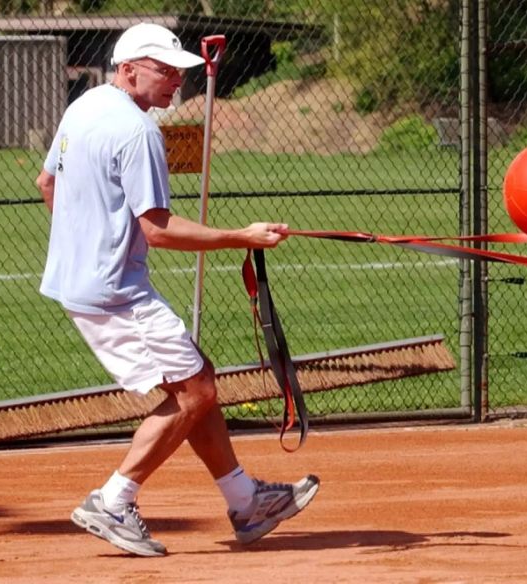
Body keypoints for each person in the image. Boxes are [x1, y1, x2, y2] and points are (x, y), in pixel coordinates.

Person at [35, 22, 319, 557]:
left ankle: (244, 500)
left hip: (89, 283)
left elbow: (47, 184)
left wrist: (83, 241)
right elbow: (158, 229)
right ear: (129, 69)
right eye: (165, 71)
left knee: (197, 377)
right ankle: (114, 500)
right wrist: (243, 236)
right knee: (196, 391)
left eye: (179, 72)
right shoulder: (138, 132)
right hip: (114, 292)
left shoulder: (84, 106)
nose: (176, 83)